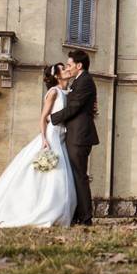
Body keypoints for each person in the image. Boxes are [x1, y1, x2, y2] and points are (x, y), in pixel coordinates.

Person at [0, 63, 77, 228]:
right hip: (51, 135)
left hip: (62, 136)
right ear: (57, 76)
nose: (67, 69)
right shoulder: (53, 92)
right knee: (52, 173)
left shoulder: (69, 92)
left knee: (60, 174)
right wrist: (44, 138)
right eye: (63, 69)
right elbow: (43, 117)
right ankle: (42, 209)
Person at [49, 49, 99, 226]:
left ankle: (85, 218)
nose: (68, 68)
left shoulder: (85, 81)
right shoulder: (79, 81)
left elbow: (75, 107)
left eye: (69, 65)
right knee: (75, 175)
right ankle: (79, 214)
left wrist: (51, 119)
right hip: (75, 134)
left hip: (79, 136)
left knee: (79, 175)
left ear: (79, 66)